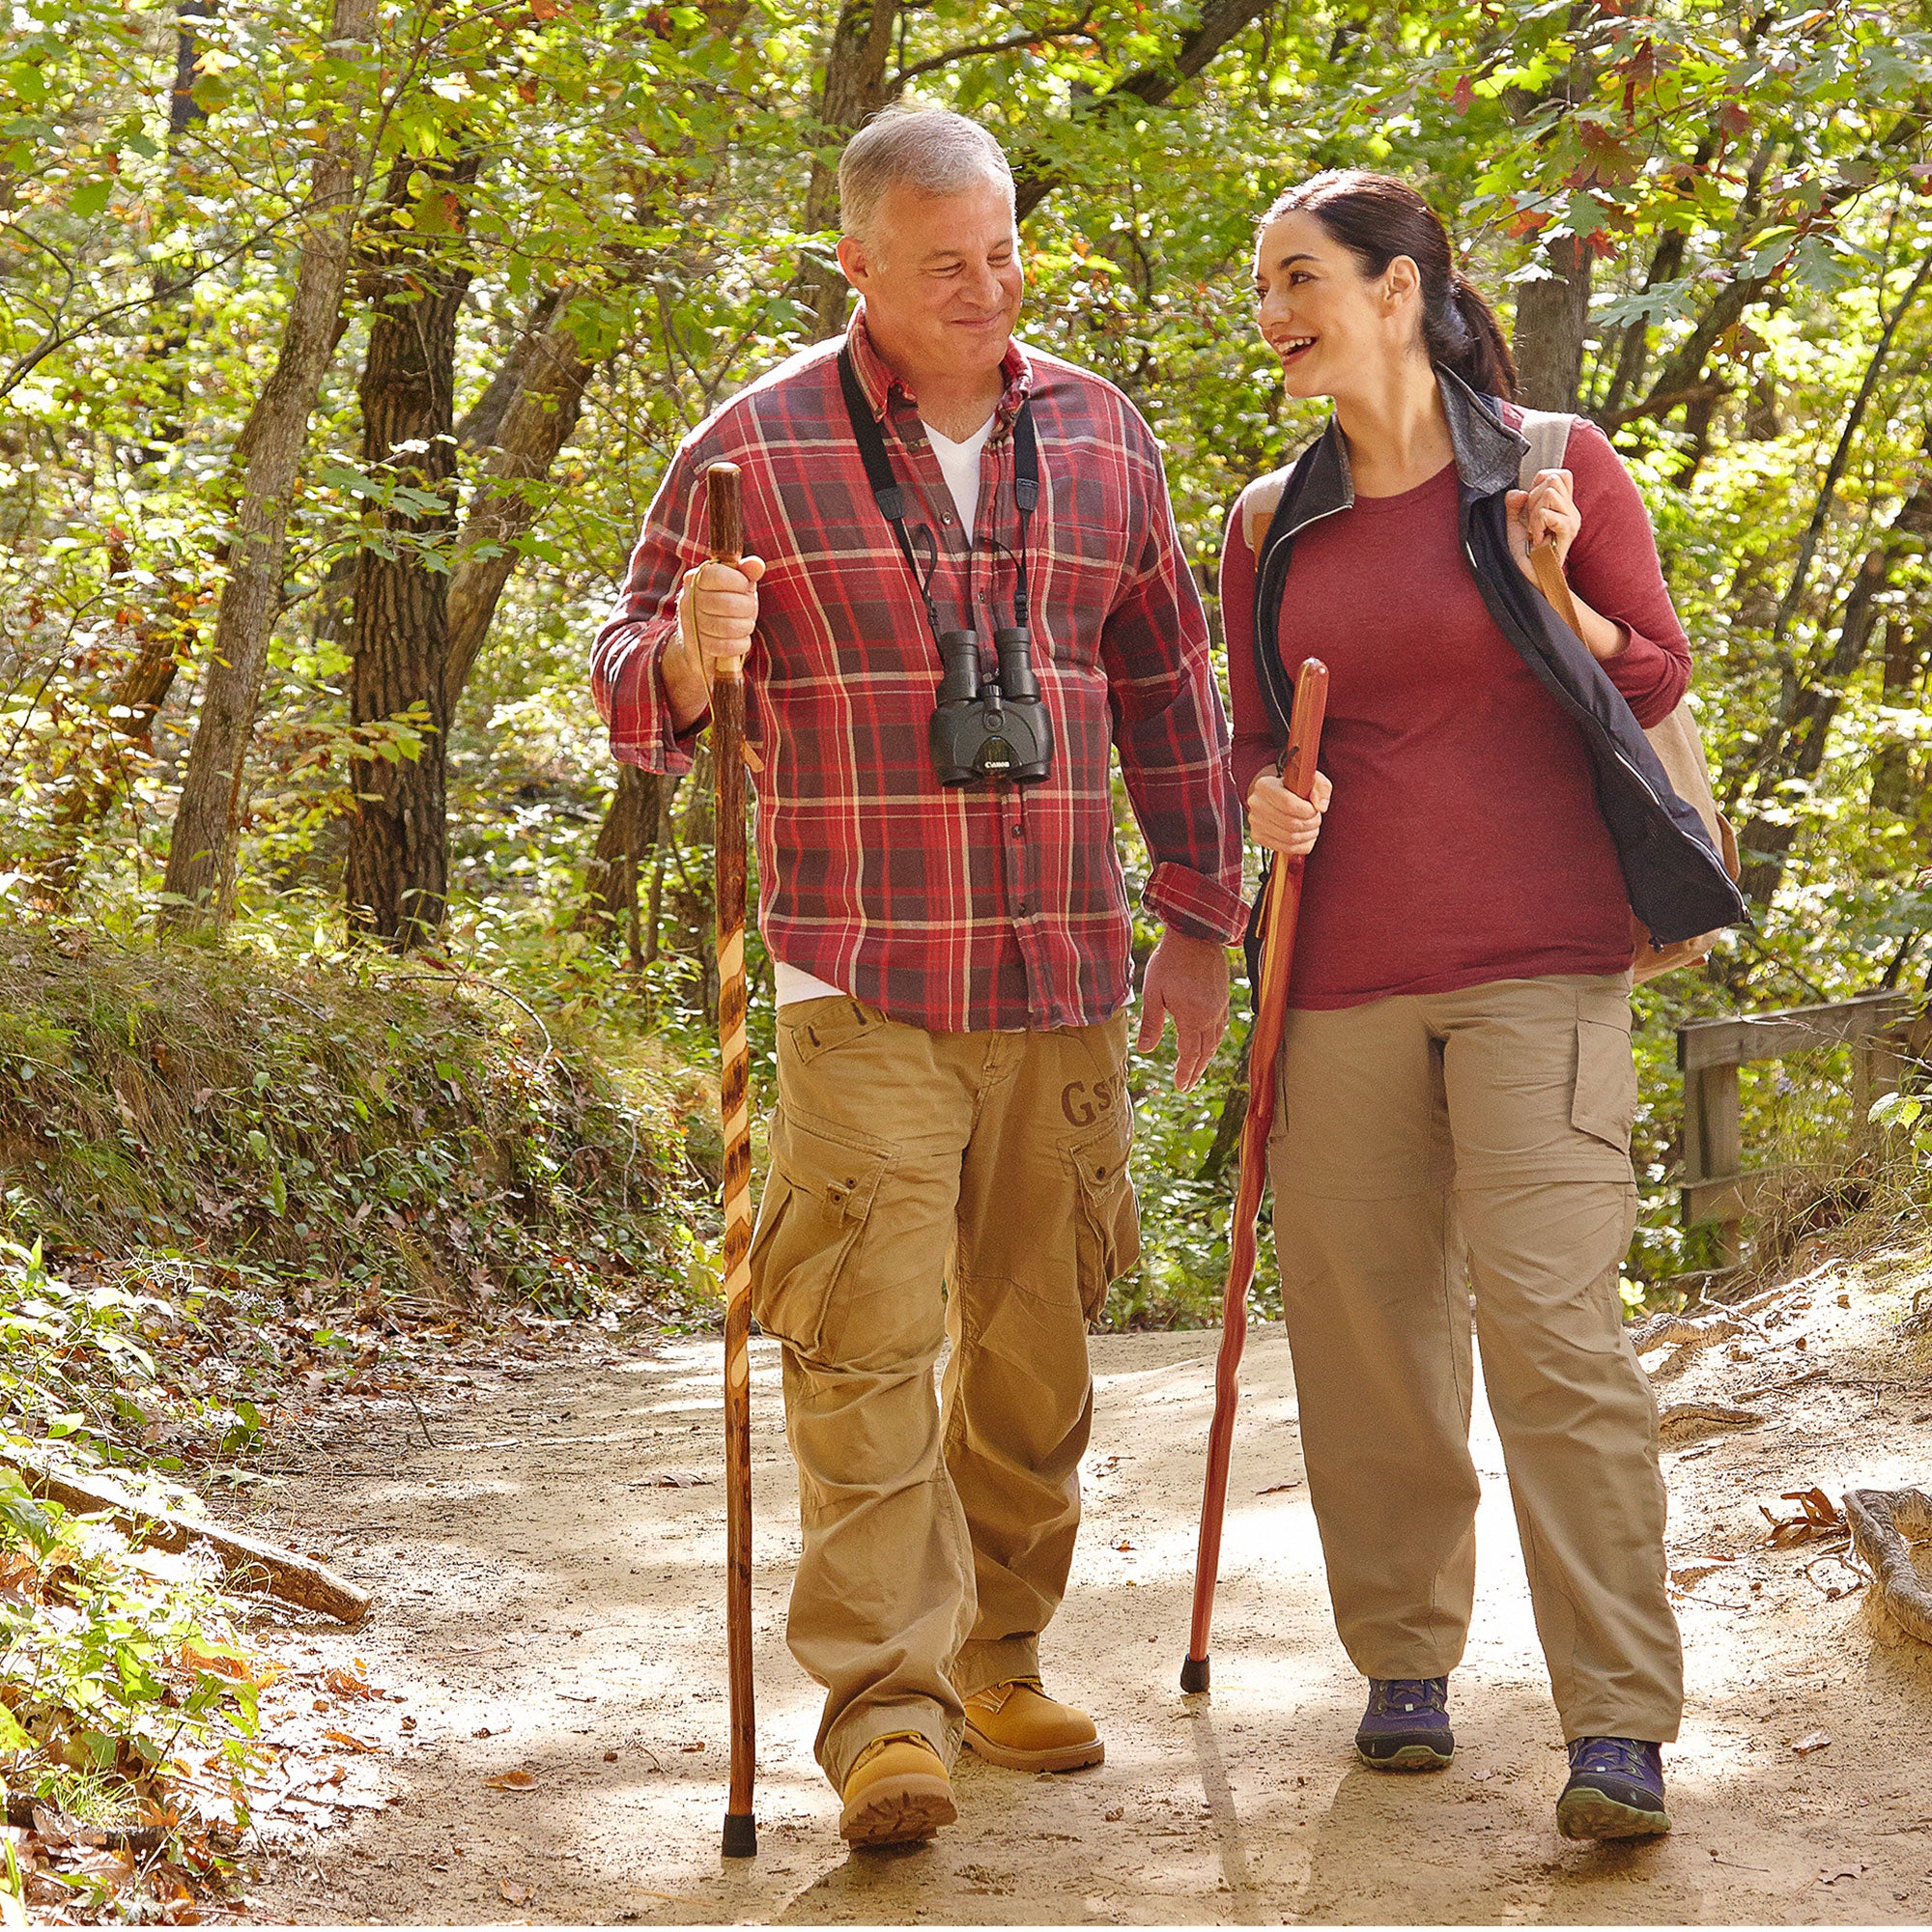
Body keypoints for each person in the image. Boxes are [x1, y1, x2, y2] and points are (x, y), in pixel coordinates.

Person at [590, 106, 1245, 1849]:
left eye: (1004, 250)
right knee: (865, 1347)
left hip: (1062, 972)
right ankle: (885, 1712)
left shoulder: (1100, 431)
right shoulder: (753, 447)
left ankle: (999, 1655)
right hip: (859, 968)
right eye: (946, 260)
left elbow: (1173, 685)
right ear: (859, 262)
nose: (986, 285)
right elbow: (627, 678)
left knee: (1037, 1356)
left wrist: (1199, 922)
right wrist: (686, 655)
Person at [1220, 171, 1745, 1840]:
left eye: (1300, 278)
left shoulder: (1553, 463)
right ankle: (1405, 1666)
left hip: (1544, 961)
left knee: (1553, 1334)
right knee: (1368, 1342)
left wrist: (1556, 582)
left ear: (1398, 290)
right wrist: (1263, 803)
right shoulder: (1268, 520)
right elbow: (1250, 738)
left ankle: (1618, 1723)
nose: (1274, 313)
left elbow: (1650, 670)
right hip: (1339, 979)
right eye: (1262, 288)